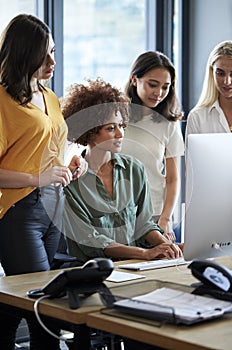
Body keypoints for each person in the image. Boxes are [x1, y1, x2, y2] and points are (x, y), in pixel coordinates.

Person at [0, 14, 86, 350]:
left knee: (22, 301)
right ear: (23, 54)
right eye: (43, 55)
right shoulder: (4, 101)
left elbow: (44, 149)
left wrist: (68, 164)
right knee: (45, 310)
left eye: (53, 51)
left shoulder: (49, 96)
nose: (53, 61)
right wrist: (38, 177)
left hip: (54, 205)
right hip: (19, 211)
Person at [62, 78, 183, 264]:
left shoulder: (134, 170)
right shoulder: (72, 181)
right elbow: (90, 241)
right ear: (90, 131)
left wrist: (164, 244)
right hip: (90, 270)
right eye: (111, 128)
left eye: (122, 126)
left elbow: (144, 224)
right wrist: (144, 254)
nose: (120, 134)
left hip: (132, 267)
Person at [122, 51, 184, 242]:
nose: (158, 93)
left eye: (166, 87)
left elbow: (173, 178)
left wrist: (164, 220)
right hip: (115, 215)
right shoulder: (115, 115)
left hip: (154, 214)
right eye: (152, 84)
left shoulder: (169, 123)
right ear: (134, 79)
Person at [185, 40, 232, 139]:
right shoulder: (197, 117)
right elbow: (192, 155)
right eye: (220, 73)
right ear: (212, 72)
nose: (227, 82)